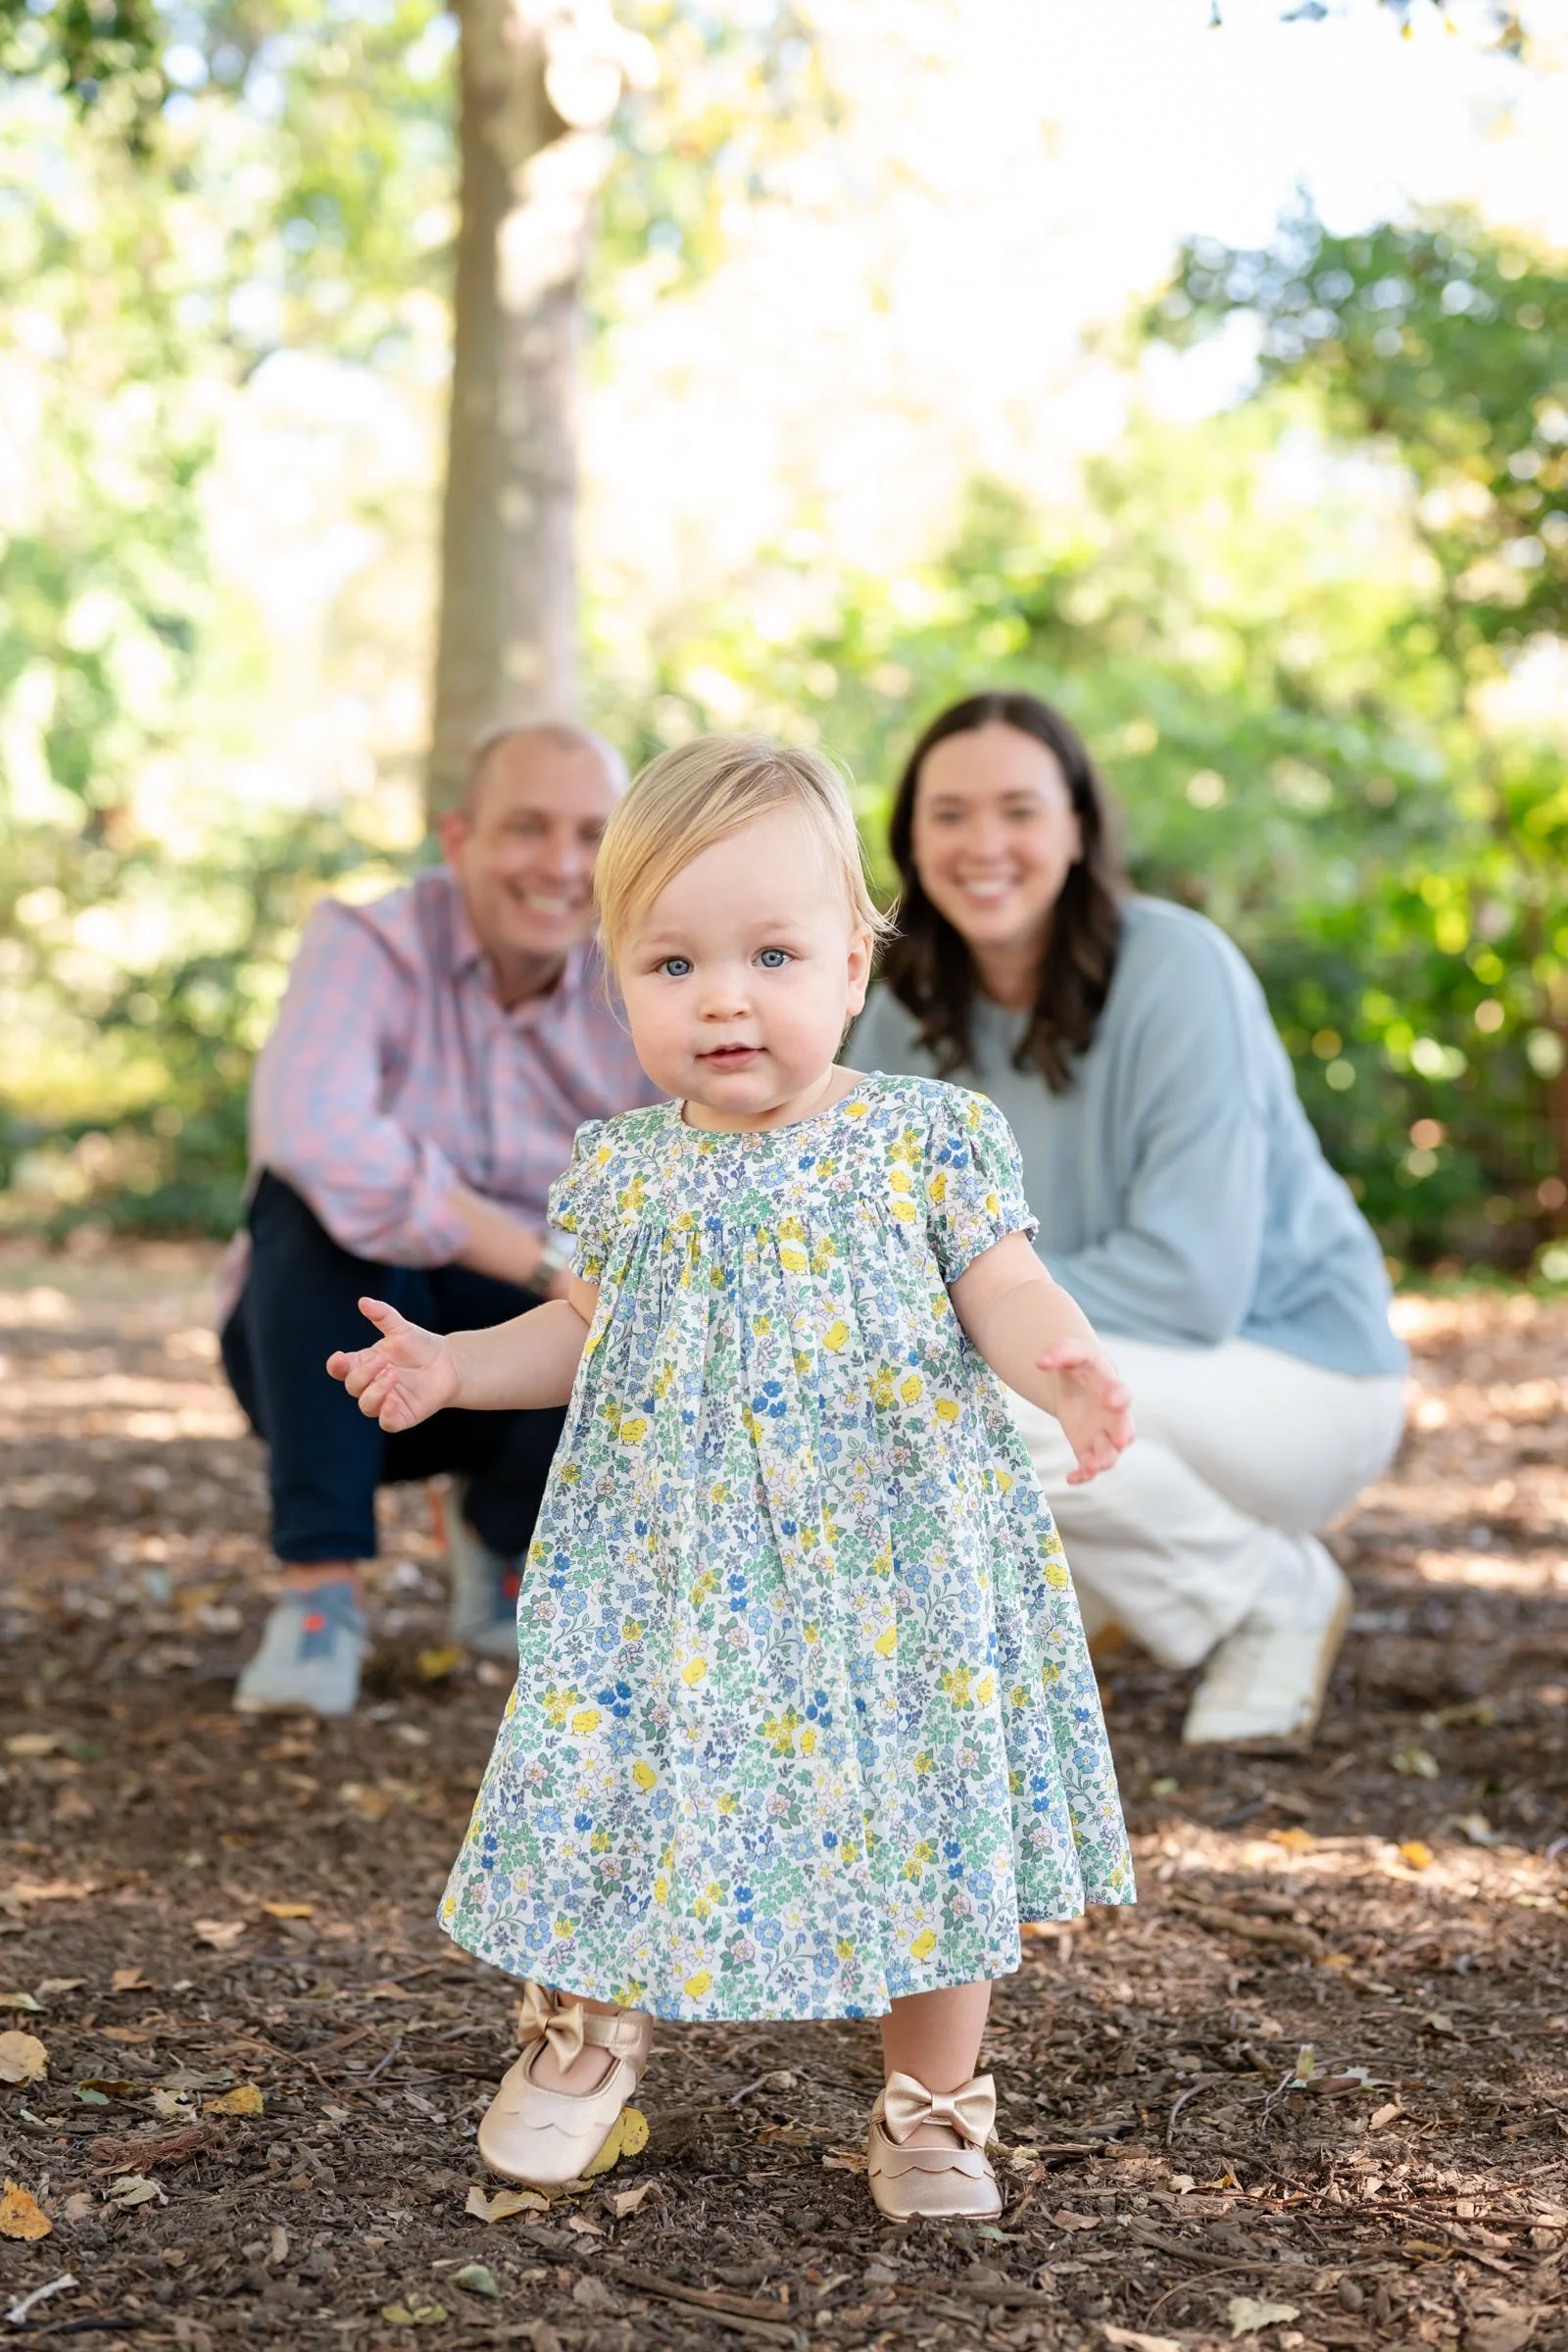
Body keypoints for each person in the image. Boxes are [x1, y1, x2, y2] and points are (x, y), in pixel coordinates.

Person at [327, 733, 1134, 2221]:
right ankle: (582, 2034)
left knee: (925, 1808)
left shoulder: (924, 1141)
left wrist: (1063, 1365)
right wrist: (453, 1365)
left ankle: (933, 2103)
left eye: (770, 953)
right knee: (607, 1772)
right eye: (674, 964)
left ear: (851, 965)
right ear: (617, 981)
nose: (725, 998)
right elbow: (580, 1328)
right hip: (666, 1563)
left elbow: (1006, 1291)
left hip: (894, 1568)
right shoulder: (628, 1170)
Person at [852, 689, 1408, 1747]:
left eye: (1018, 809)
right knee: (900, 1378)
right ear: (911, 840)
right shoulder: (901, 1013)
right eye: (949, 814)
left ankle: (1268, 1595)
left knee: (971, 1394)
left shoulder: (1177, 967)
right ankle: (1115, 1592)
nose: (984, 844)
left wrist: (965, 1304)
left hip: (1301, 1376)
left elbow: (1188, 1284)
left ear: (1076, 827)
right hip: (1122, 1362)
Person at [220, 721, 659, 1718]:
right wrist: (544, 1260)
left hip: (528, 1354)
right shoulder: (366, 940)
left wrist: (569, 1272)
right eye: (526, 829)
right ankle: (319, 1595)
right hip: (327, 1349)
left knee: (636, 1271)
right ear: (457, 839)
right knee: (314, 1201)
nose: (559, 865)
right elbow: (316, 1129)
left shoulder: (639, 977)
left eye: (591, 834)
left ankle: (500, 1539)